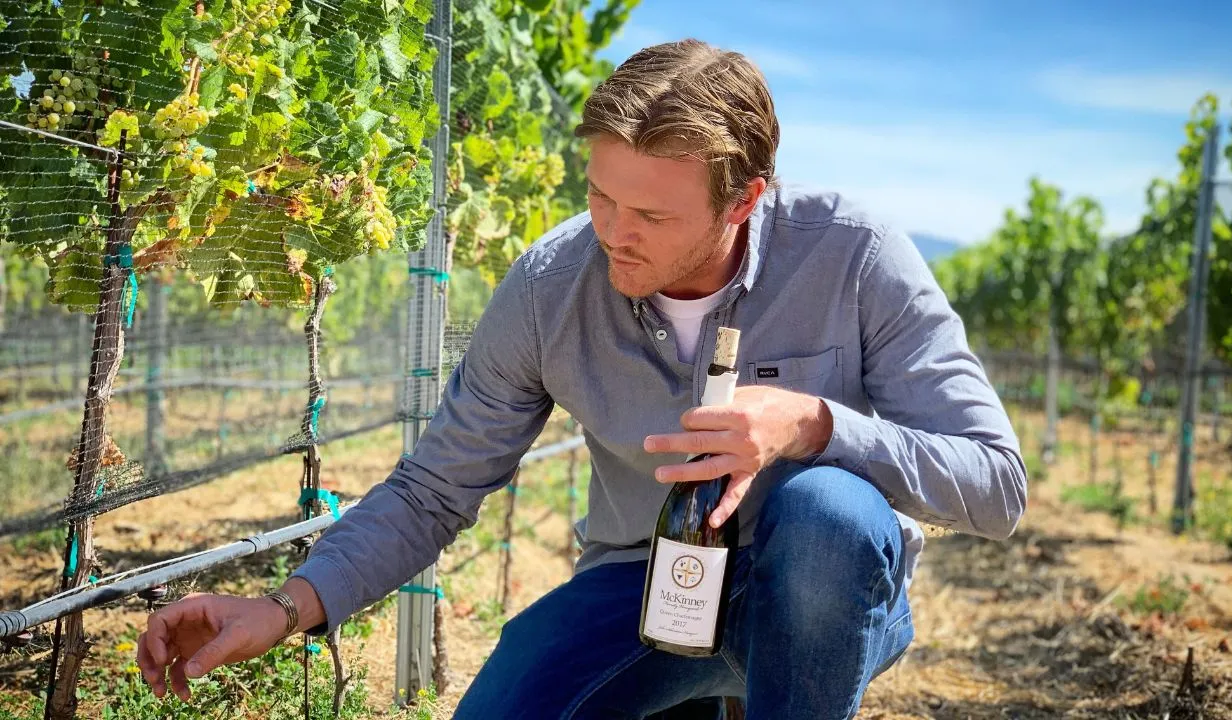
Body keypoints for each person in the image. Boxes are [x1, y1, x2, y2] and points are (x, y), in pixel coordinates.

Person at [136, 38, 1027, 718]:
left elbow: (998, 483)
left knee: (829, 512)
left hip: (819, 594)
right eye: (600, 196)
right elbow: (434, 490)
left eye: (650, 213)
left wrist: (817, 425)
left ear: (745, 199)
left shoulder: (854, 255)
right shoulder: (551, 285)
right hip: (641, 586)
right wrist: (286, 607)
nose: (613, 232)